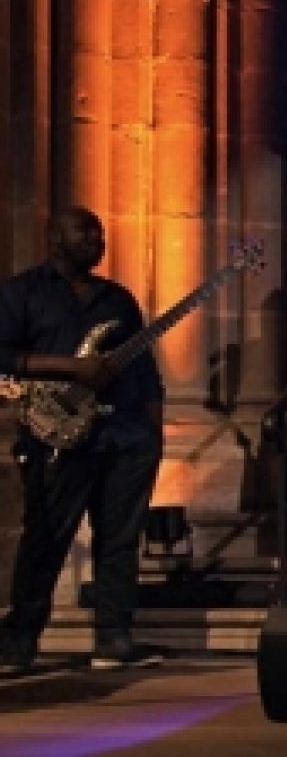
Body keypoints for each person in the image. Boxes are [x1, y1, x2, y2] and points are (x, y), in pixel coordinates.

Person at [0, 207, 165, 674]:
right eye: (86, 231)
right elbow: (3, 356)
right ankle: (19, 643)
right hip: (57, 437)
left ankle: (113, 638)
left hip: (125, 436)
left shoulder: (117, 299)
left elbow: (146, 370)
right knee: (45, 540)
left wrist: (154, 433)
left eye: (101, 232)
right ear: (54, 237)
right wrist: (71, 369)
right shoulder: (22, 293)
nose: (97, 238)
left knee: (119, 541)